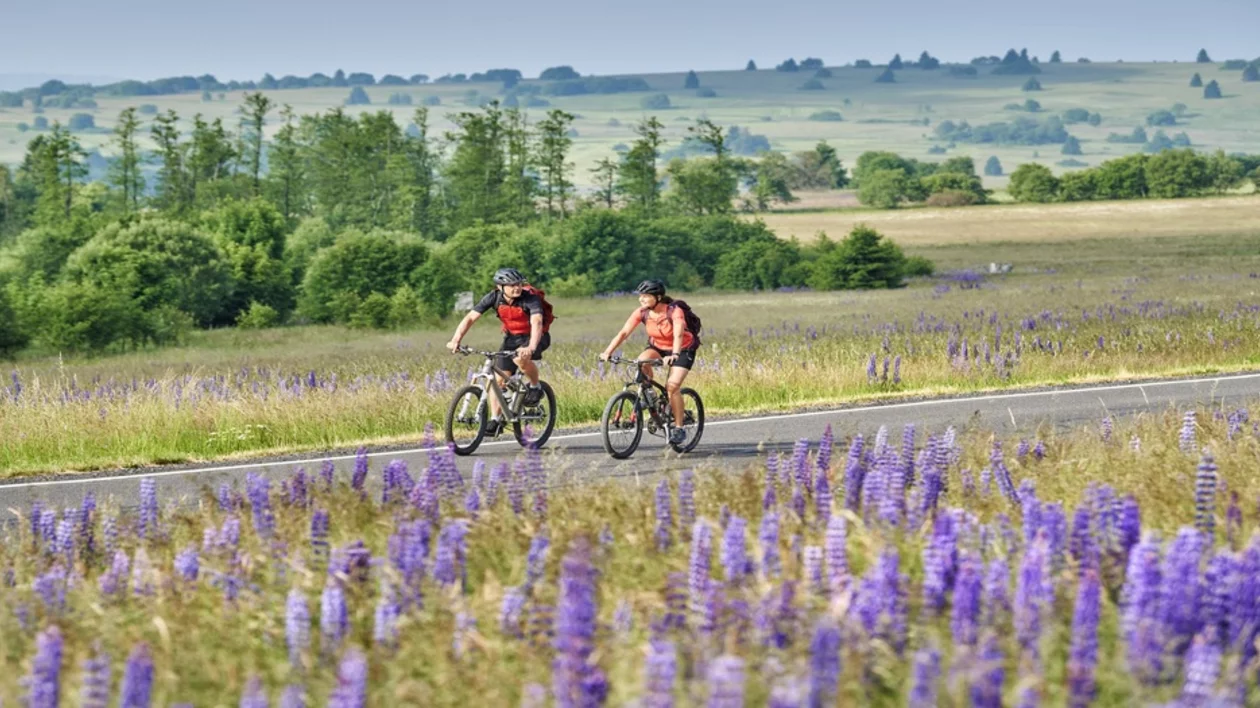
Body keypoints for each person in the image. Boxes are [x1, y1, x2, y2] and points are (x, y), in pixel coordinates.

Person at [447, 267, 552, 435]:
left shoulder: (530, 298)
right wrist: (456, 340)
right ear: (500, 287)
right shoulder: (493, 297)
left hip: (536, 336)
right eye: (511, 285)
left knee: (520, 359)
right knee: (497, 381)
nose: (517, 288)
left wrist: (531, 347)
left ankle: (535, 386)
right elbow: (470, 318)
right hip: (511, 338)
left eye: (518, 284)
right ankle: (496, 420)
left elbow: (537, 322)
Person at [599, 279, 698, 445]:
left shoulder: (674, 311)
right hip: (658, 346)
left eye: (646, 296)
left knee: (672, 386)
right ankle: (650, 396)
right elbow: (624, 332)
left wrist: (674, 354)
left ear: (658, 297)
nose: (641, 299)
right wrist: (608, 352)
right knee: (641, 362)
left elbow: (678, 335)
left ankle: (679, 428)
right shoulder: (642, 312)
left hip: (682, 348)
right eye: (640, 296)